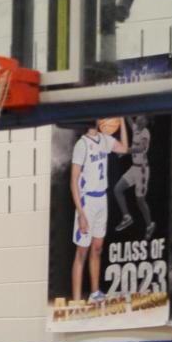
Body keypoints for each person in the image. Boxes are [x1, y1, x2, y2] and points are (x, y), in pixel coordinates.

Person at [70, 119, 129, 302]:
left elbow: (124, 148)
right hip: (87, 201)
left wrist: (122, 121)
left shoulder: (104, 139)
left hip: (102, 198)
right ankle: (77, 300)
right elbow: (73, 181)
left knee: (97, 248)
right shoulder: (82, 145)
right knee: (82, 252)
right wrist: (80, 213)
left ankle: (95, 293)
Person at [113, 116, 156, 239]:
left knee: (140, 201)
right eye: (138, 117)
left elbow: (141, 148)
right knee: (117, 189)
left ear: (146, 121)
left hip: (142, 171)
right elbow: (127, 116)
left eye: (142, 118)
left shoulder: (145, 133)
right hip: (134, 168)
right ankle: (127, 217)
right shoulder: (136, 127)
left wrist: (124, 150)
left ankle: (149, 225)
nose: (138, 119)